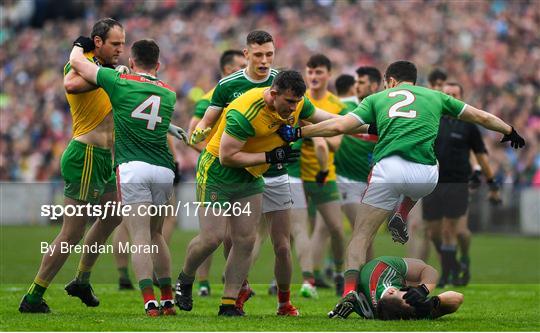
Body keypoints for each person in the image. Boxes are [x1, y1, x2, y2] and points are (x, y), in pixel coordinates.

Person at [278, 60, 525, 314]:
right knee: (431, 167)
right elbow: (481, 116)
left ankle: (349, 292)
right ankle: (403, 212)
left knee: (361, 236)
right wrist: (509, 130)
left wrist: (298, 133)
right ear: (414, 81)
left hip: (389, 170)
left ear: (391, 81)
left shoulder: (377, 98)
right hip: (425, 176)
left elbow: (338, 126)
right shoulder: (436, 96)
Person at [176, 70, 337, 316]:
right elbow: (227, 156)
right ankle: (185, 279)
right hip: (218, 172)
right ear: (274, 94)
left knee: (246, 240)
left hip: (251, 174)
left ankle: (228, 303)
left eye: (297, 103)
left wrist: (364, 123)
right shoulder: (246, 110)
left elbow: (330, 120)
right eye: (290, 102)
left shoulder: (296, 102)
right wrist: (271, 157)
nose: (294, 109)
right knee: (213, 237)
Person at [69, 37, 186, 316]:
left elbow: (77, 64)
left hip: (133, 167)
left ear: (131, 62)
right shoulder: (169, 93)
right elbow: (149, 114)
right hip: (163, 168)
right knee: (157, 234)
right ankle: (168, 299)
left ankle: (149, 302)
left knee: (140, 237)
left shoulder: (120, 81)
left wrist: (78, 45)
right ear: (158, 65)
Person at [19, 18, 126, 313]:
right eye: (115, 43)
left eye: (123, 43)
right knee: (71, 233)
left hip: (103, 157)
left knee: (113, 216)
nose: (121, 49)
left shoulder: (104, 67)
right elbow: (70, 83)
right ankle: (33, 297)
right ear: (98, 42)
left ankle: (81, 279)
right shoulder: (83, 64)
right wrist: (102, 67)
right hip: (86, 154)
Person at [423, 82, 501, 287]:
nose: (450, 97)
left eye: (454, 94)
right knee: (433, 233)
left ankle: (448, 274)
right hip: (431, 182)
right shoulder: (431, 120)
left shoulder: (468, 125)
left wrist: (491, 183)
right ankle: (455, 264)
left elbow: (481, 155)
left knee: (451, 230)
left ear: (461, 97)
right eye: (446, 94)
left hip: (457, 181)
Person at [187, 49, 247, 296]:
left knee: (235, 236)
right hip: (215, 171)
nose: (244, 69)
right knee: (212, 236)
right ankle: (200, 282)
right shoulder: (212, 96)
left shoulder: (246, 94)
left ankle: (236, 284)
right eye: (239, 66)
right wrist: (213, 154)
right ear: (226, 70)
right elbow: (192, 133)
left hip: (238, 171)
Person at [301, 54, 348, 296]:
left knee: (336, 229)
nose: (313, 76)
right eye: (310, 72)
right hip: (297, 175)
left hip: (324, 175)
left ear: (328, 74)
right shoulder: (298, 99)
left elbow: (337, 144)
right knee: (294, 230)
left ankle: (340, 272)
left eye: (318, 72)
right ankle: (299, 278)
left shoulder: (337, 106)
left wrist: (315, 131)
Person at [328, 256, 464, 320]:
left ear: (393, 291)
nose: (414, 299)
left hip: (373, 269)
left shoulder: (382, 268)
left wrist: (423, 289)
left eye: (409, 297)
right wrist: (433, 302)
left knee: (422, 268)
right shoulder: (413, 312)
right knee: (422, 269)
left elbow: (429, 271)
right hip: (367, 284)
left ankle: (348, 290)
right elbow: (457, 298)